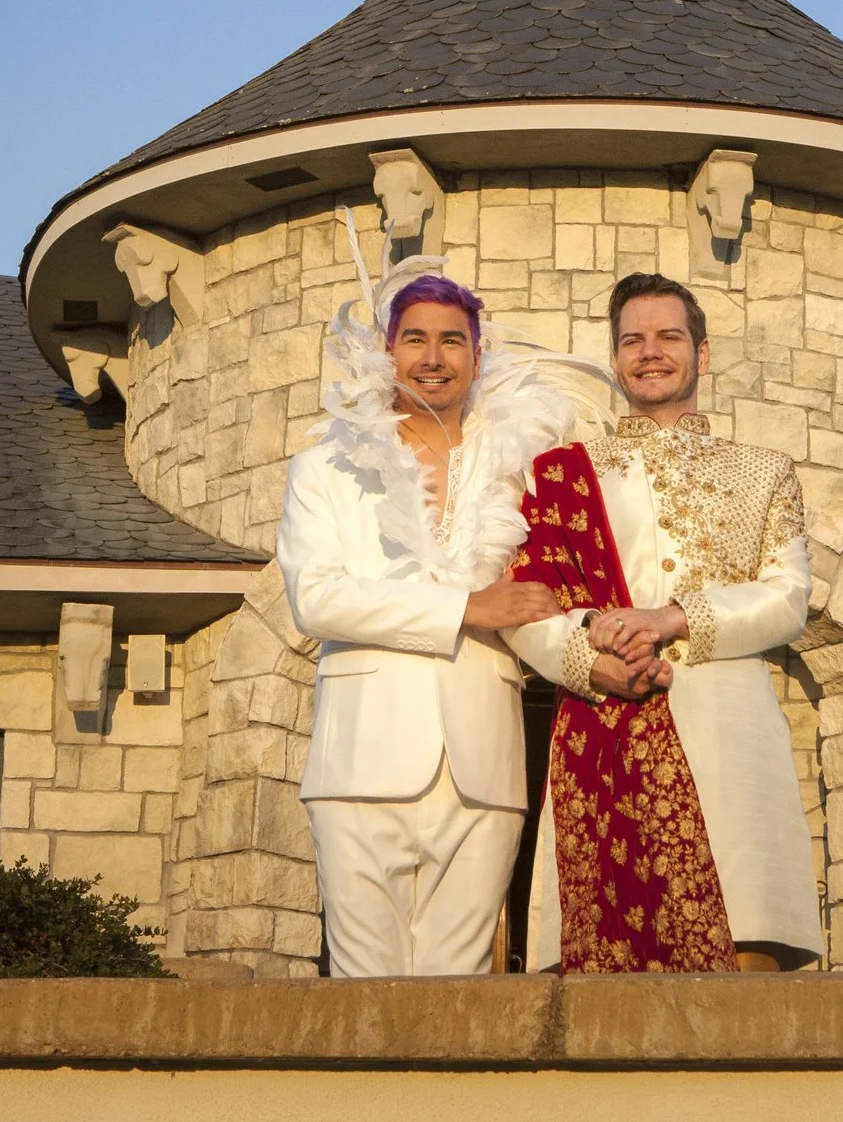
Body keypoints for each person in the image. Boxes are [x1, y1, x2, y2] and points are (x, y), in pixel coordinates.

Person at [275, 256, 666, 977]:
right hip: (360, 764)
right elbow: (318, 597)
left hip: (485, 768)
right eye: (415, 338)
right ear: (386, 350)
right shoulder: (324, 467)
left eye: (452, 340)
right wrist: (466, 607)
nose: (432, 357)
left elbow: (544, 601)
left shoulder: (524, 469)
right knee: (365, 992)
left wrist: (597, 654)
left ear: (477, 354)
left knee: (460, 1000)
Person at [508, 272, 823, 972]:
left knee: (746, 965)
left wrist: (671, 617)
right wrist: (595, 663)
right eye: (633, 340)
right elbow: (528, 607)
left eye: (668, 337)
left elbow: (788, 597)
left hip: (730, 739)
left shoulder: (764, 471)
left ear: (702, 353)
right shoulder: (560, 475)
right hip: (604, 730)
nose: (651, 352)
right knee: (596, 994)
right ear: (615, 357)